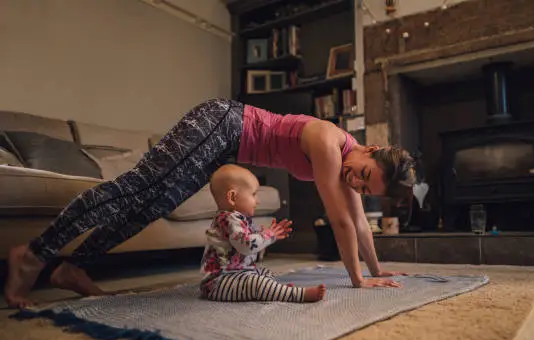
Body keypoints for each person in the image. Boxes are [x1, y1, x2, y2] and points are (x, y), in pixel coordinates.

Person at [4, 98, 419, 309]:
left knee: (150, 207)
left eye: (365, 189)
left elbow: (361, 222)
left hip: (224, 146)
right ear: (371, 148)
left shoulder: (351, 162)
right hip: (221, 122)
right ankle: (34, 254)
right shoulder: (331, 142)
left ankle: (74, 267)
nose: (355, 183)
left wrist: (379, 271)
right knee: (137, 188)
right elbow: (342, 221)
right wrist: (358, 280)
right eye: (363, 175)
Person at [200, 164, 325, 303]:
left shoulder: (238, 219)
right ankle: (297, 295)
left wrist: (266, 234)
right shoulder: (228, 220)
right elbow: (246, 245)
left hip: (238, 274)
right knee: (257, 282)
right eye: (253, 194)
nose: (257, 200)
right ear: (233, 197)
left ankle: (275, 290)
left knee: (264, 273)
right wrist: (269, 235)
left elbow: (249, 247)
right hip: (219, 282)